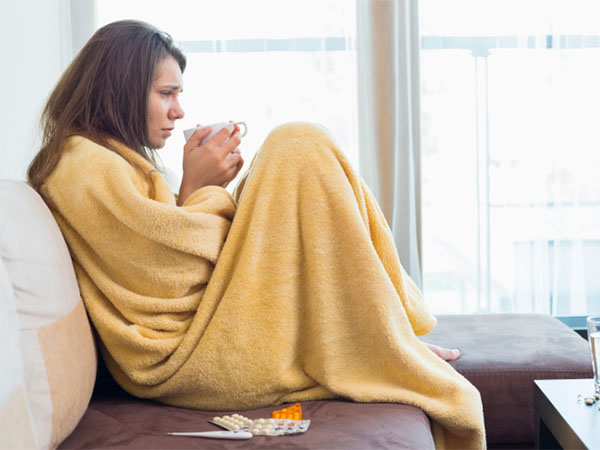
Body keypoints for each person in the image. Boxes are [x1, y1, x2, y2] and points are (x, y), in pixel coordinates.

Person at [28, 20, 484, 448]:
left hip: (208, 330)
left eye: (179, 94)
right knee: (297, 145)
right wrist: (199, 187)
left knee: (298, 150)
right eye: (166, 93)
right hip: (188, 358)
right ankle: (388, 337)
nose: (179, 109)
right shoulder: (83, 167)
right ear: (121, 90)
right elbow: (174, 276)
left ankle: (388, 331)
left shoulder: (104, 161)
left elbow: (170, 246)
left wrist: (209, 190)